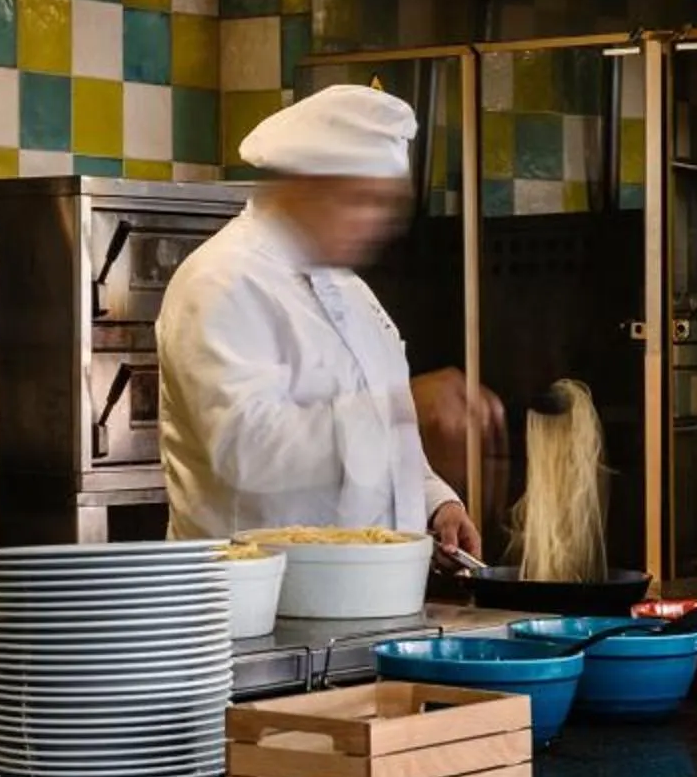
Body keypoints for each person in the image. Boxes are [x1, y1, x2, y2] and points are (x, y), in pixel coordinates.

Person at [156, 84, 485, 559]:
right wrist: (399, 405)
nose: (377, 223)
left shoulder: (349, 290)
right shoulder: (222, 282)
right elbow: (245, 449)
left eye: (385, 205)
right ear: (302, 187)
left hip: (369, 595)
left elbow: (376, 435)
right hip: (257, 607)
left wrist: (435, 502)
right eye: (360, 200)